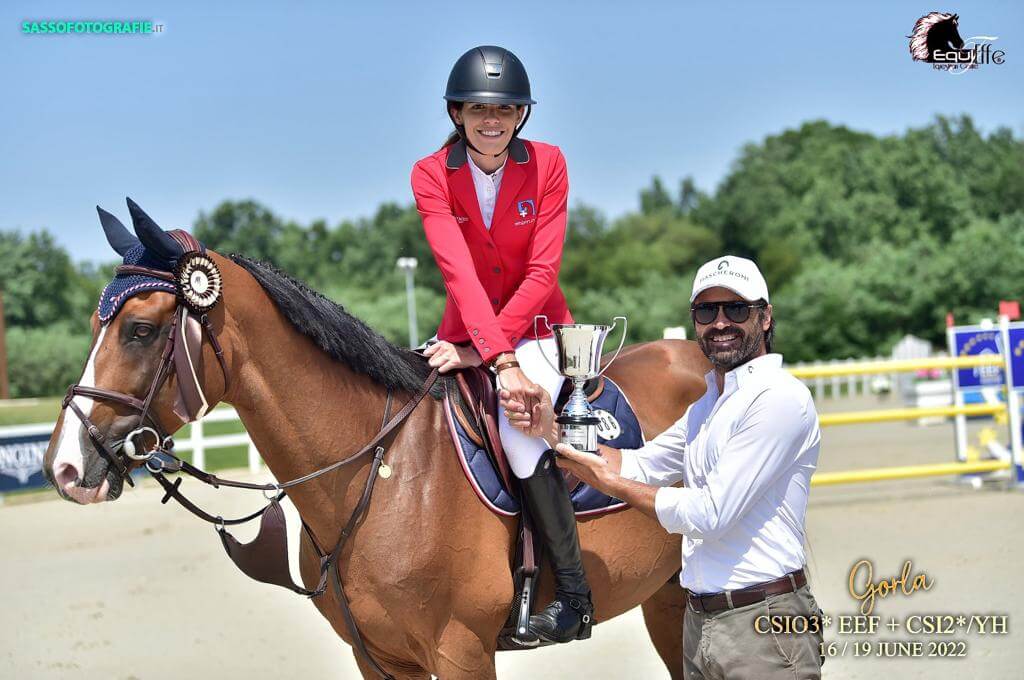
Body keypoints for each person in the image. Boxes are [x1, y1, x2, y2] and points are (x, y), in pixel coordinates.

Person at [503, 255, 826, 678]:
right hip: (702, 623)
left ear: (765, 318)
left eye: (737, 309)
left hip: (762, 626)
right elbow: (641, 462)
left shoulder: (778, 399)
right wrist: (552, 433)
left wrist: (611, 485)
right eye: (707, 311)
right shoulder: (708, 405)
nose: (721, 322)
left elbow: (711, 514)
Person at [410, 45, 593, 644]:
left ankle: (572, 594)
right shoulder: (431, 174)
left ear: (520, 116)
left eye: (507, 109)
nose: (493, 120)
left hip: (540, 329)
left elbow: (542, 274)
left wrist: (493, 356)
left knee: (518, 428)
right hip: (465, 329)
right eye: (480, 109)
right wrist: (476, 349)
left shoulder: (550, 163)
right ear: (457, 113)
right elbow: (457, 270)